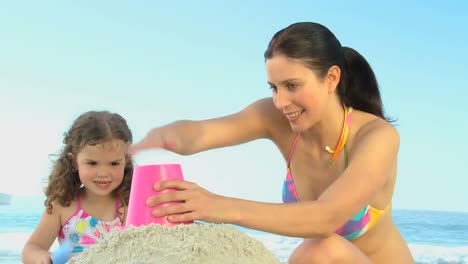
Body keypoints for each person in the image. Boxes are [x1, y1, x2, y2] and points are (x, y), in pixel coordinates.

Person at [129, 22, 414, 263]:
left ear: (331, 78)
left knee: (320, 248)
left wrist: (218, 207)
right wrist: (166, 136)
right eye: (274, 88)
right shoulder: (278, 118)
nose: (280, 102)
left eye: (292, 86)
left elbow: (325, 219)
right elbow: (204, 133)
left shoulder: (377, 137)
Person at [22, 110, 134, 264]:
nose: (103, 173)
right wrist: (42, 258)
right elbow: (32, 248)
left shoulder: (130, 203)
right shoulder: (62, 205)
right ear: (74, 162)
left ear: (126, 161)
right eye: (92, 163)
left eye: (114, 163)